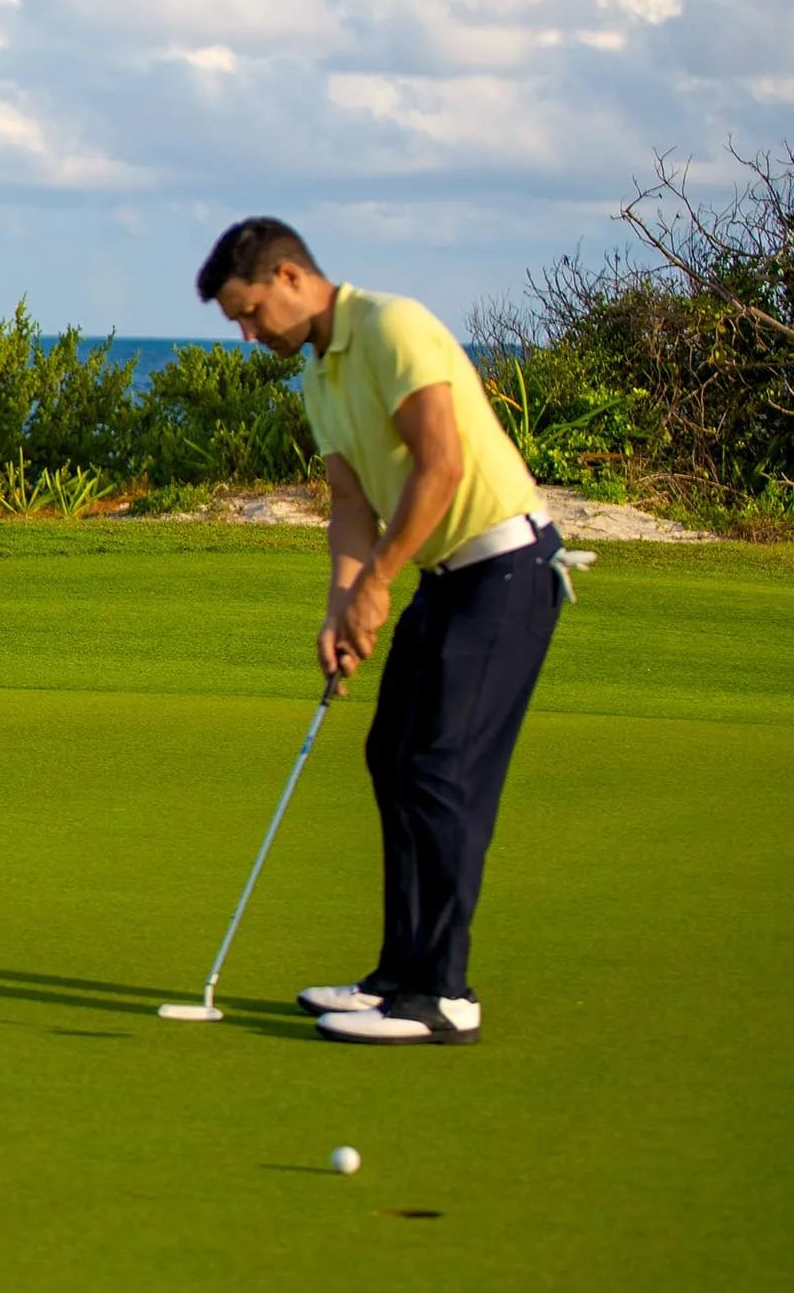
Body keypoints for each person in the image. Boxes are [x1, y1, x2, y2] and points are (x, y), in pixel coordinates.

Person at [197, 216, 579, 1046]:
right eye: (236, 319)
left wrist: (378, 583)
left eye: (251, 310)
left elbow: (439, 464)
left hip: (507, 570)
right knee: (392, 755)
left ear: (291, 276)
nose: (247, 331)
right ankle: (397, 977)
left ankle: (443, 994)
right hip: (448, 578)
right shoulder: (318, 380)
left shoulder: (390, 326)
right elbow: (348, 504)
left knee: (440, 769)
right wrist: (342, 601)